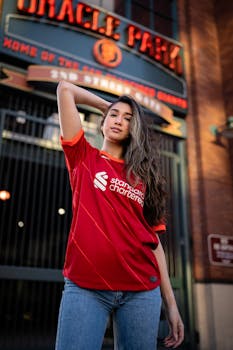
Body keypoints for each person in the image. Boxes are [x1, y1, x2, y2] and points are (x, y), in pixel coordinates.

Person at [55, 80, 184, 350]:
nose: (118, 121)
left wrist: (171, 305)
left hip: (141, 291)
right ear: (102, 121)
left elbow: (155, 244)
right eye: (114, 116)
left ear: (133, 129)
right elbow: (65, 89)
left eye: (128, 119)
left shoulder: (144, 177)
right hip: (86, 285)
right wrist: (108, 105)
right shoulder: (83, 157)